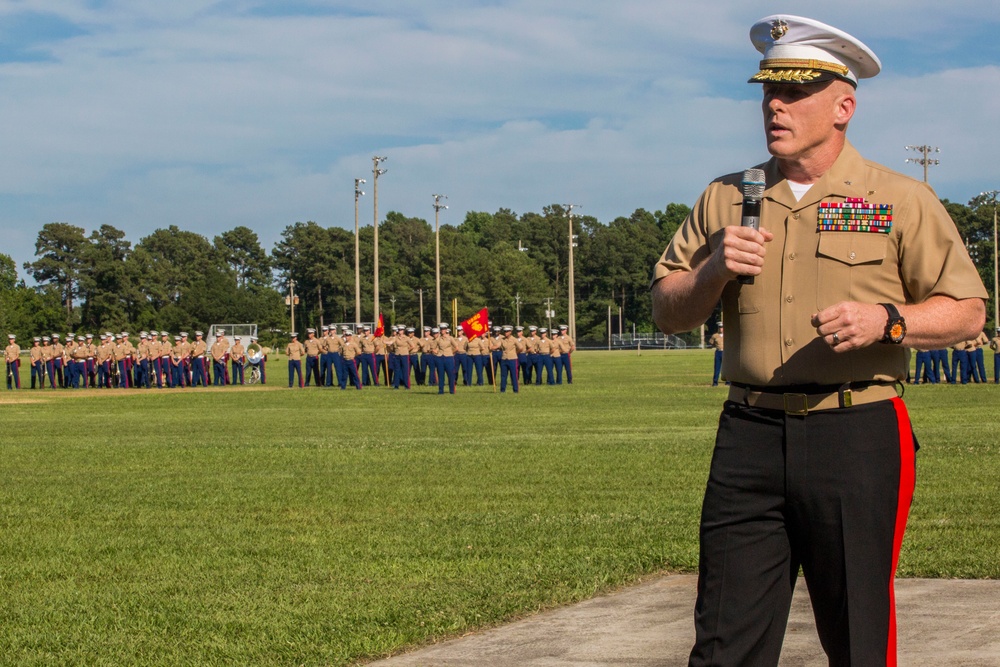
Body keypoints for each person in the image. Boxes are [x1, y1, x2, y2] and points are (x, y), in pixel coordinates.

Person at [650, 15, 986, 665]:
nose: (775, 104)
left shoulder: (897, 198)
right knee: (724, 639)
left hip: (855, 431)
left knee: (859, 634)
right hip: (748, 435)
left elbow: (968, 311)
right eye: (768, 91)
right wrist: (714, 266)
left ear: (843, 106)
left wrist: (889, 321)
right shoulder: (727, 197)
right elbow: (667, 310)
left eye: (795, 92)